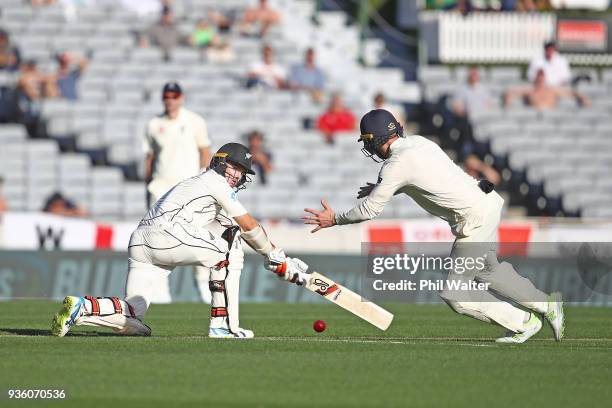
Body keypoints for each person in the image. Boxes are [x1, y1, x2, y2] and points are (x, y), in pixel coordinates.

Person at [302, 109, 565, 344]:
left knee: (455, 293)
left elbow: (370, 209)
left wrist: (335, 219)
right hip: (485, 205)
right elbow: (426, 176)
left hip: (474, 219)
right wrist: (386, 188)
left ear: (379, 138)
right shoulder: (418, 142)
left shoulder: (396, 165)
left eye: (369, 141)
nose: (369, 148)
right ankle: (547, 304)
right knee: (488, 272)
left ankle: (524, 322)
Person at [51, 143, 310, 339]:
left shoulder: (201, 186)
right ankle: (224, 326)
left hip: (142, 241)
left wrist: (279, 262)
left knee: (133, 317)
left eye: (242, 172)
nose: (238, 175)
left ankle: (82, 308)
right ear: (221, 163)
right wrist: (276, 257)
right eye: (236, 167)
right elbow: (248, 224)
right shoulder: (214, 181)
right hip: (166, 234)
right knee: (228, 252)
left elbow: (236, 228)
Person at [144, 82, 212, 304]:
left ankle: (203, 286)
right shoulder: (154, 124)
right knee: (159, 239)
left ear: (181, 98)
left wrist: (202, 180)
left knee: (197, 236)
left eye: (174, 96)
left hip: (187, 188)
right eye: (166, 96)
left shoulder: (194, 121)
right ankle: (161, 292)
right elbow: (150, 158)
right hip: (160, 188)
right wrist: (148, 185)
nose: (170, 100)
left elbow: (205, 152)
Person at [504, 69, 590, 111]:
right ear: (535, 77)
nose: (540, 78)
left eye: (542, 76)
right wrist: (508, 98)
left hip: (551, 117)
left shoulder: (552, 89)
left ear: (544, 78)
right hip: (534, 117)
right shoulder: (530, 90)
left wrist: (581, 97)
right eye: (539, 76)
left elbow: (570, 92)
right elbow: (512, 92)